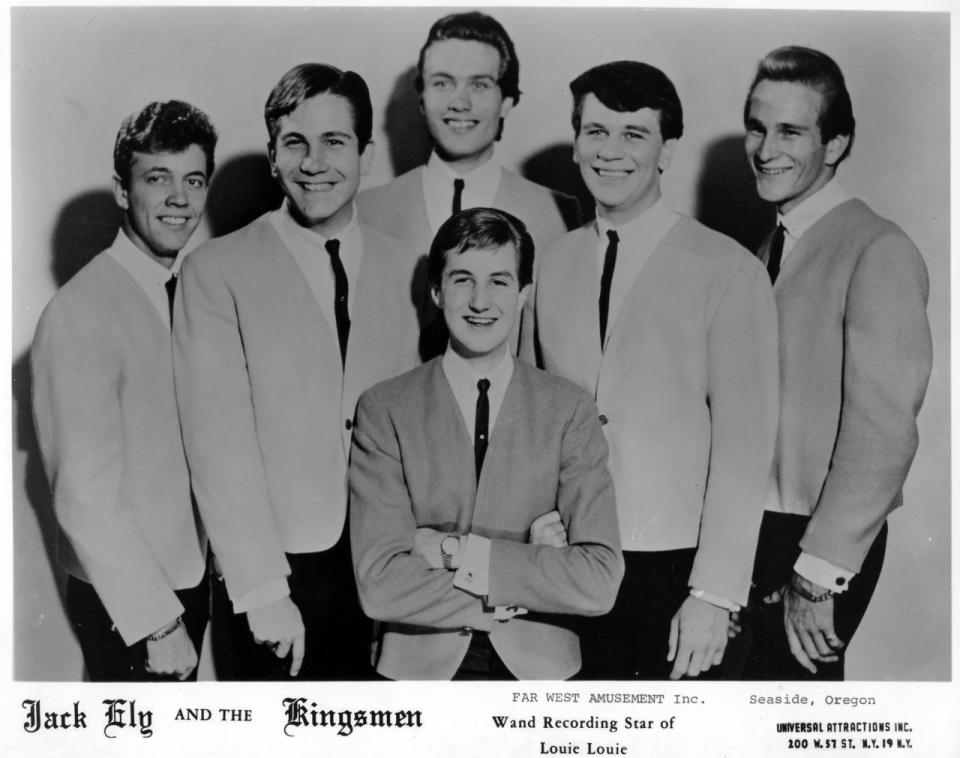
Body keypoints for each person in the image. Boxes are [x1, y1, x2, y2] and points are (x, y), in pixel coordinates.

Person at [524, 61, 779, 680]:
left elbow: (746, 449)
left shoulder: (728, 270)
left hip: (677, 570)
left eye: (633, 134)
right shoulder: (550, 263)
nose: (609, 152)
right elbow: (534, 414)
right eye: (595, 131)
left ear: (667, 150)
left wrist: (713, 595)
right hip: (571, 561)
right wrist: (537, 521)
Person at [173, 63, 420, 680]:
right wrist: (260, 590)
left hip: (389, 561)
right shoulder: (216, 269)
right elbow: (215, 441)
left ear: (366, 152)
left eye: (335, 142)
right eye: (295, 143)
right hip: (278, 575)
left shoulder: (412, 267)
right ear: (272, 155)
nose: (315, 163)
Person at [350, 207, 623, 680]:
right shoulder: (384, 408)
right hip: (419, 670)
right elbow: (380, 586)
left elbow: (598, 581)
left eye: (499, 281)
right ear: (436, 291)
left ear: (523, 295)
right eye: (462, 280)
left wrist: (451, 551)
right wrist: (528, 566)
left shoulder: (570, 408)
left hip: (540, 669)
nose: (480, 301)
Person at [738, 46, 932, 680]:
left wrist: (817, 574)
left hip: (814, 542)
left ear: (838, 141)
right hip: (755, 530)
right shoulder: (768, 245)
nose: (767, 149)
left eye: (791, 130)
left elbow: (885, 430)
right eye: (757, 126)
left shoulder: (878, 248)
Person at [32, 100, 217, 681]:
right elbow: (83, 496)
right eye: (157, 179)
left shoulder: (194, 290)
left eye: (193, 180)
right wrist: (157, 624)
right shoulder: (80, 310)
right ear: (121, 189)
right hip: (133, 606)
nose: (179, 200)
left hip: (190, 582)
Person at [357, 10, 579, 358]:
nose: (459, 102)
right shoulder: (366, 211)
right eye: (442, 83)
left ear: (507, 101)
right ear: (422, 98)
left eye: (479, 84)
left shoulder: (559, 212)